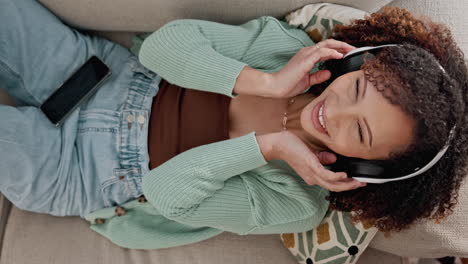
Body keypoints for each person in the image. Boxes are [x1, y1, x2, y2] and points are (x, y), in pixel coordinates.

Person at [0, 0, 466, 249]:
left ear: (370, 172)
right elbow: (160, 49)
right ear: (356, 64)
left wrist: (269, 147)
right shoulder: (283, 51)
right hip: (100, 76)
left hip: (80, 172)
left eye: (359, 133)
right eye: (357, 90)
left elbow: (166, 192)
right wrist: (265, 81)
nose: (334, 113)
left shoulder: (295, 204)